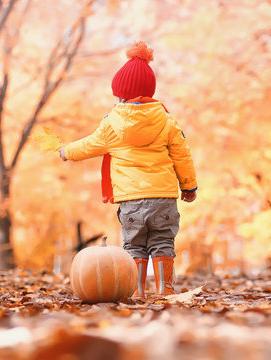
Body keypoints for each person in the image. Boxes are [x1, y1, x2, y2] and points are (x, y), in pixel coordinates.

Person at [58, 41, 198, 297]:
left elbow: (90, 145)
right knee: (162, 242)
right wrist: (188, 185)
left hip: (131, 200)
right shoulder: (167, 121)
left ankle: (136, 291)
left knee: (134, 245)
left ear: (121, 94)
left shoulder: (111, 124)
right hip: (163, 197)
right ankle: (166, 289)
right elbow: (182, 155)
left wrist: (66, 151)